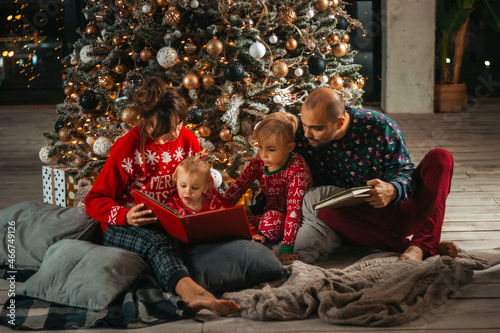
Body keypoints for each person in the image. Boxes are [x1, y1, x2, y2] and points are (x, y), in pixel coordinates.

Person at [85, 75, 239, 316]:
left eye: (179, 125)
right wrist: (125, 216)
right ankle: (193, 294)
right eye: (168, 129)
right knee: (159, 244)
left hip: (171, 218)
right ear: (146, 123)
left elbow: (198, 182)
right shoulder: (127, 149)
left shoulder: (187, 139)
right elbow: (94, 199)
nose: (176, 134)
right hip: (125, 224)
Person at [293, 87, 459, 263]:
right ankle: (421, 247)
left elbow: (405, 173)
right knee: (322, 210)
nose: (306, 134)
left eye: (316, 128)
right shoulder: (300, 134)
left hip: (396, 209)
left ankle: (422, 244)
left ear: (340, 122)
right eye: (304, 124)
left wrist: (393, 190)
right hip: (353, 221)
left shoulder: (380, 127)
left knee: (441, 157)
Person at [224, 112, 313, 263]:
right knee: (235, 217)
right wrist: (220, 211)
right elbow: (237, 188)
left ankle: (263, 245)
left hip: (294, 219)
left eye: (271, 149)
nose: (263, 154)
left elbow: (293, 211)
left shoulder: (297, 170)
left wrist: (286, 249)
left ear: (289, 147)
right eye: (260, 147)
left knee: (271, 222)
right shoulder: (259, 161)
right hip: (268, 211)